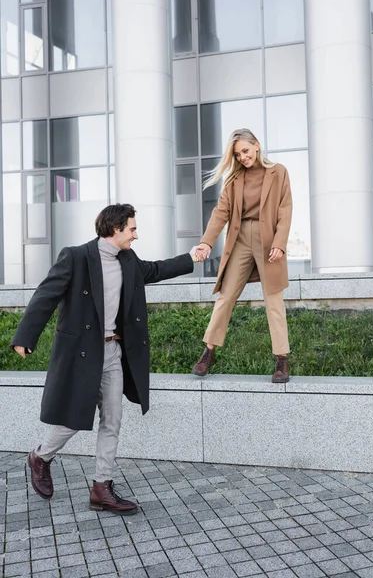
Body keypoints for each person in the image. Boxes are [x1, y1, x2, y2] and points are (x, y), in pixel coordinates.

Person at [11, 203, 202, 515]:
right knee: (73, 419)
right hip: (83, 353)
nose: (135, 236)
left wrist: (190, 258)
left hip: (113, 351)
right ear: (115, 230)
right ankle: (40, 457)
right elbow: (46, 295)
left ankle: (102, 487)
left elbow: (153, 271)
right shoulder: (76, 257)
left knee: (112, 419)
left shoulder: (127, 259)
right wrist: (25, 337)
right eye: (132, 229)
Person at [192, 128, 292, 382]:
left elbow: (285, 209)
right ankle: (208, 351)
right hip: (240, 240)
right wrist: (206, 242)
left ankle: (282, 359)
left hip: (268, 239)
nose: (243, 157)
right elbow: (220, 212)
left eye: (245, 151)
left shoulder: (278, 171)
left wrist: (280, 242)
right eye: (238, 155)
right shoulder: (234, 179)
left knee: (273, 300)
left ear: (256, 145)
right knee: (226, 296)